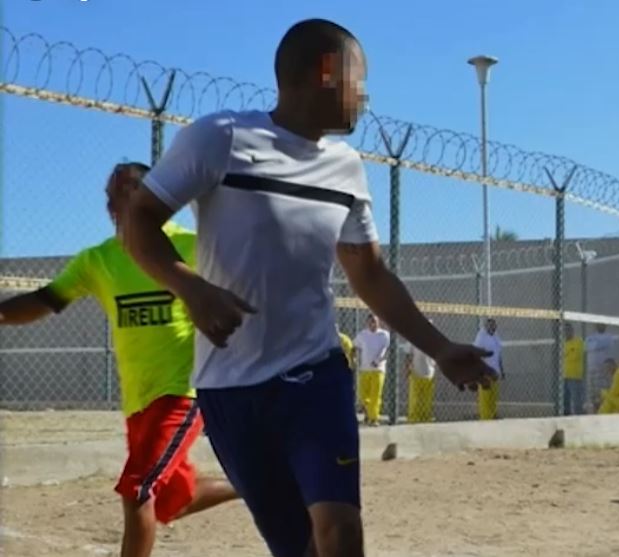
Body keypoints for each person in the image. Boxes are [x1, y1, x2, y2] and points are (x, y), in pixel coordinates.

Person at [118, 19, 495, 557]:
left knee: (340, 530)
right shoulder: (221, 138)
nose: (365, 97)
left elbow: (370, 274)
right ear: (327, 72)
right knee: (298, 546)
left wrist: (439, 347)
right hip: (231, 390)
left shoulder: (347, 168)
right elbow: (139, 221)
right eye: (360, 81)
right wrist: (191, 288)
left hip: (316, 377)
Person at [0, 162, 238, 557]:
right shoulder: (98, 261)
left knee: (138, 489)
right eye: (112, 195)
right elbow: (45, 299)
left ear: (154, 197)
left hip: (184, 392)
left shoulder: (194, 248)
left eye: (129, 189)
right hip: (137, 400)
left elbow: (248, 292)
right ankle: (261, 484)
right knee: (170, 501)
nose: (116, 201)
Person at [354, 314, 390, 426]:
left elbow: (386, 350)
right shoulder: (362, 335)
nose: (372, 324)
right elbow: (355, 346)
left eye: (374, 321)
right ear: (367, 323)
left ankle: (374, 418)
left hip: (378, 369)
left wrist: (378, 361)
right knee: (363, 395)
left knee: (375, 395)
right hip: (364, 369)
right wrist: (354, 357)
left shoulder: (384, 335)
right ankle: (368, 414)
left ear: (378, 323)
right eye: (370, 321)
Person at [405, 319, 437, 423]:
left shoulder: (434, 339)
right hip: (416, 372)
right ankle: (413, 418)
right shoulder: (414, 337)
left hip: (429, 372)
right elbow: (408, 354)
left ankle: (425, 417)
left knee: (427, 399)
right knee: (415, 398)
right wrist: (408, 367)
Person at [473, 318, 504, 420]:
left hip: (495, 373)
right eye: (490, 325)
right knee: (485, 397)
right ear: (486, 326)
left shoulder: (496, 337)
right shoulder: (481, 338)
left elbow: (499, 355)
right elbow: (476, 355)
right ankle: (485, 418)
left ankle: (492, 416)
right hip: (485, 374)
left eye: (494, 326)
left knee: (493, 397)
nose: (493, 327)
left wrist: (502, 370)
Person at [584, 323, 615, 412]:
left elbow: (594, 346)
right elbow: (587, 347)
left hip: (604, 371)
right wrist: (600, 345)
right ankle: (595, 410)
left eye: (602, 324)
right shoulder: (590, 337)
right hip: (592, 370)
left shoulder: (609, 337)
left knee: (604, 392)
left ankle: (604, 410)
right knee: (593, 394)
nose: (600, 326)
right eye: (598, 324)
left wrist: (595, 345)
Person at [562, 322, 585, 415]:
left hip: (575, 376)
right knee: (565, 400)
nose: (566, 332)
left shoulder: (578, 341)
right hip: (564, 376)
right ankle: (566, 416)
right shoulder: (563, 344)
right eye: (565, 331)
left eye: (568, 330)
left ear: (572, 331)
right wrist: (568, 354)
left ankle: (579, 416)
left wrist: (566, 355)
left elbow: (575, 356)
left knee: (577, 400)